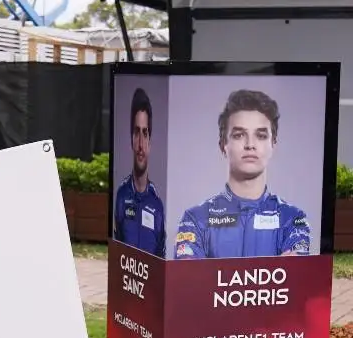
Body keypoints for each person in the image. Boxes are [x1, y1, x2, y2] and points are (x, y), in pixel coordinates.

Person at [174, 88, 310, 259]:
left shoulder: (293, 219)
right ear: (223, 144)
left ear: (273, 144)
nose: (250, 144)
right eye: (239, 135)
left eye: (260, 136)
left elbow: (294, 279)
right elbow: (190, 282)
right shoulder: (195, 219)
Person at [112, 87, 165, 258]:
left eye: (145, 133)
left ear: (150, 141)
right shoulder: (121, 196)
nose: (141, 144)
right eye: (136, 133)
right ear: (131, 139)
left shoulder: (157, 205)